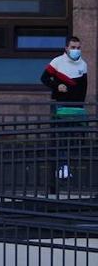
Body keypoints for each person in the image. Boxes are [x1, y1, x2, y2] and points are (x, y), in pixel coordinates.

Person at [40, 36, 88, 180]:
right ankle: (62, 167)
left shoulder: (83, 64)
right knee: (61, 137)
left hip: (77, 107)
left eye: (78, 47)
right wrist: (57, 86)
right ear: (66, 48)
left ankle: (65, 165)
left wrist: (81, 105)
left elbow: (83, 87)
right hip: (60, 105)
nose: (76, 50)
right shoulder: (57, 62)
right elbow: (44, 78)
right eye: (73, 47)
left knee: (73, 138)